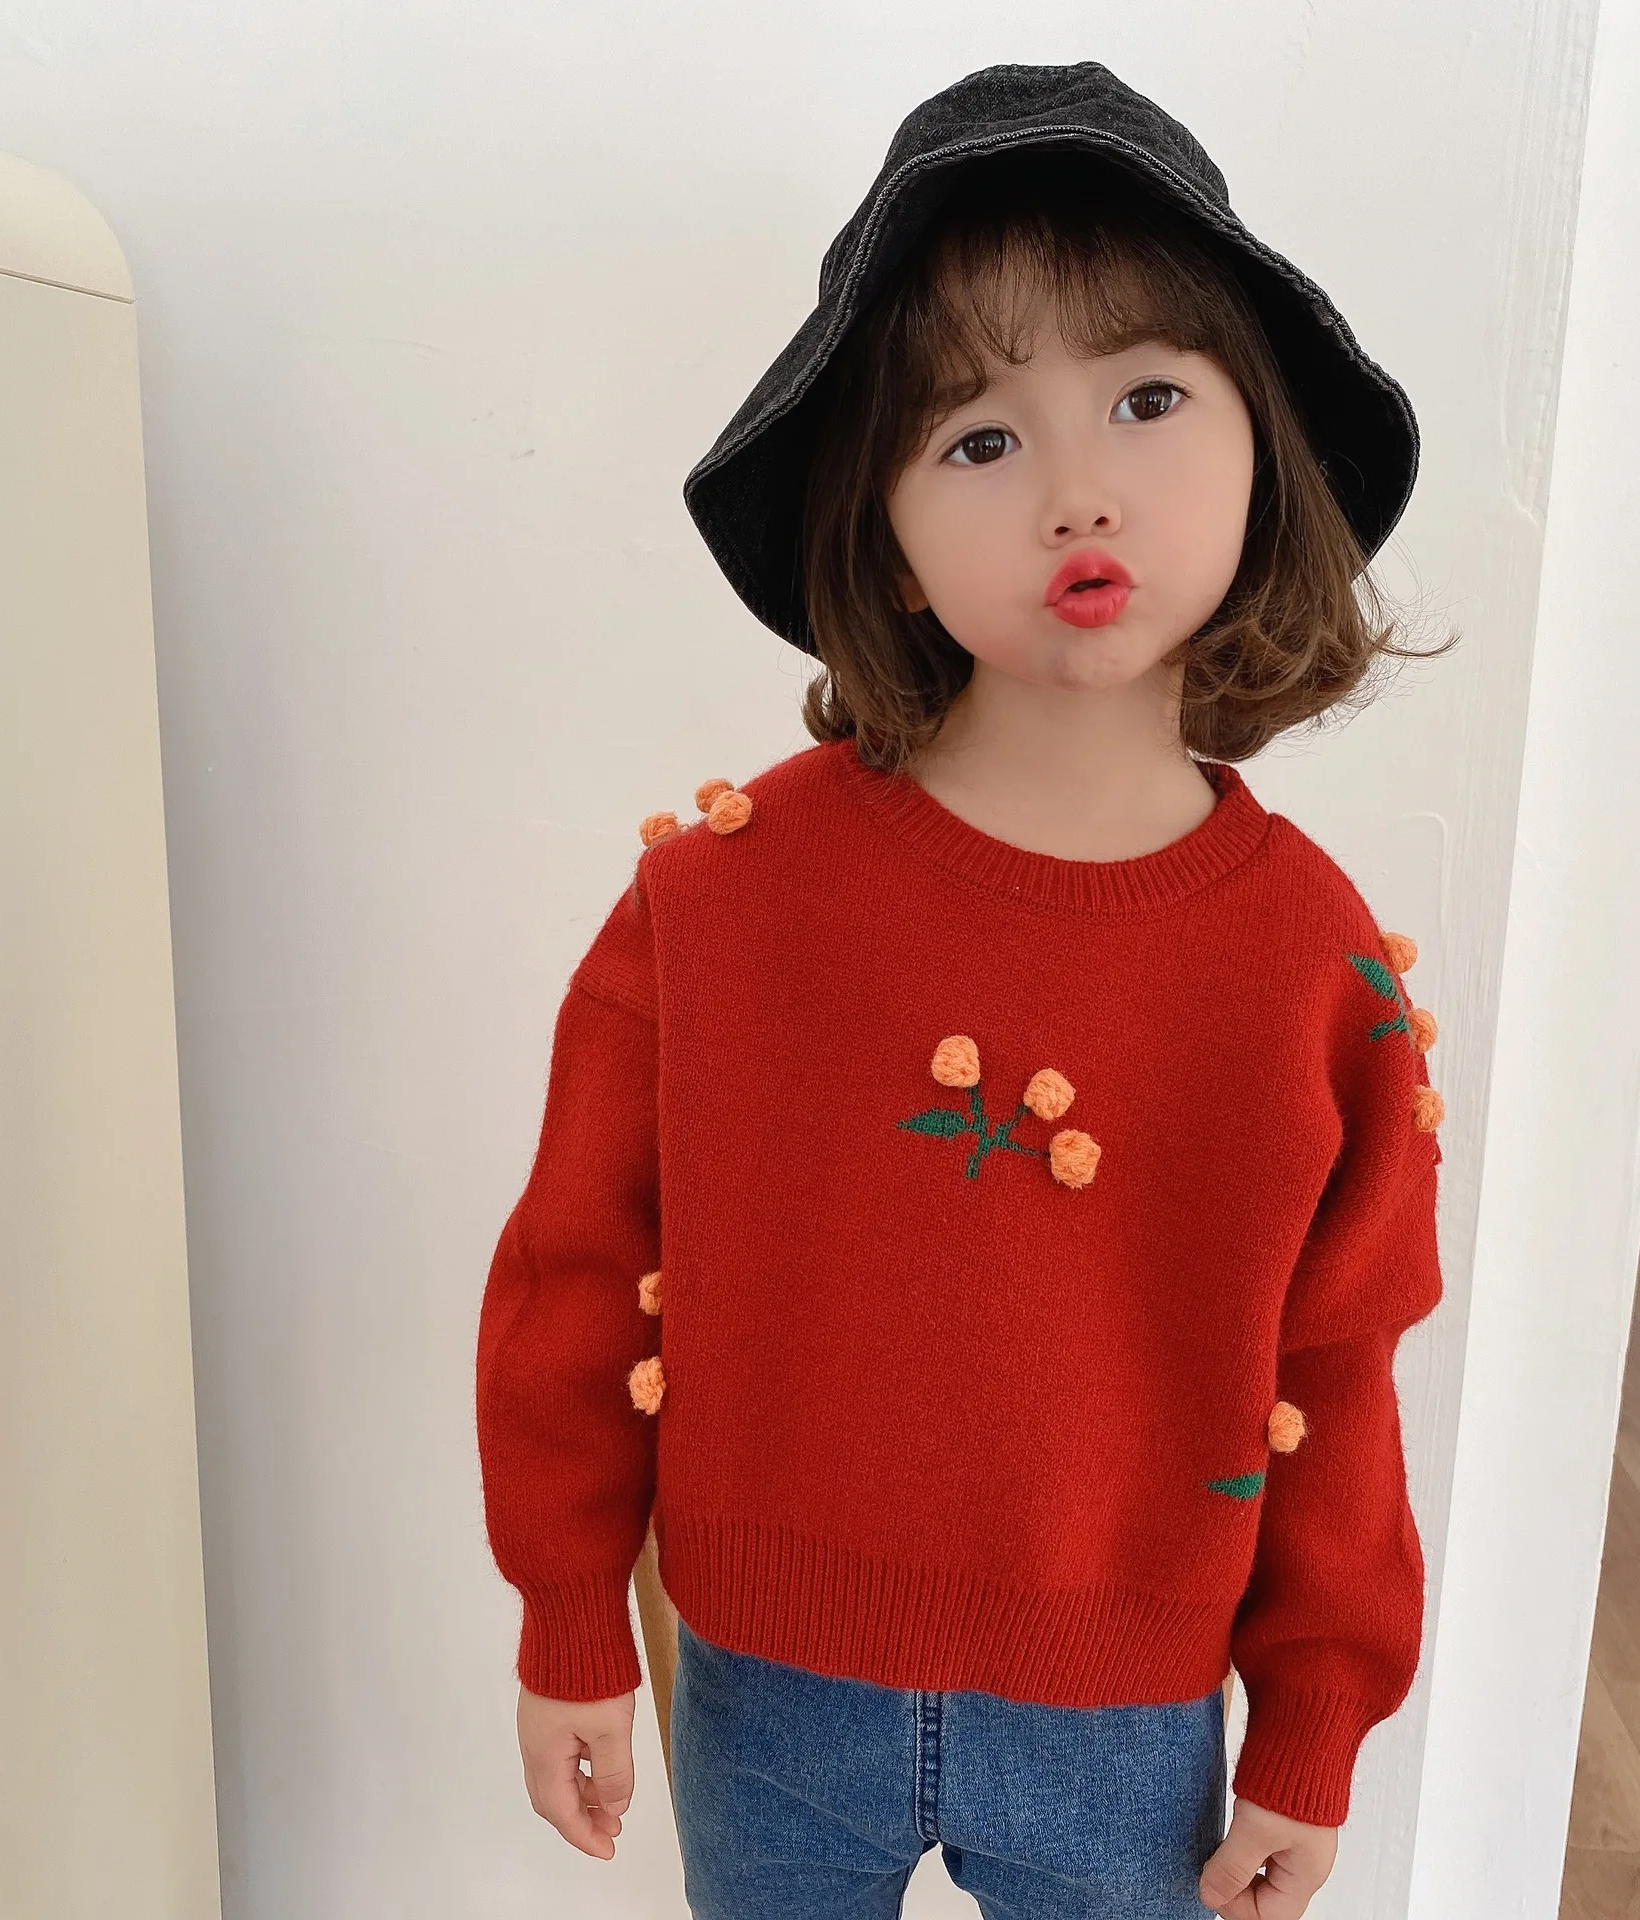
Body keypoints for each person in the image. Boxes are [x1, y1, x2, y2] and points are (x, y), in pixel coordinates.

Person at [476, 60, 1455, 1920]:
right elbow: (576, 1270)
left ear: (1267, 452)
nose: (1078, 492)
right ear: (886, 532)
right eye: (978, 441)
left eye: (1149, 398)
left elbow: (1339, 1369)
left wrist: (1314, 1726)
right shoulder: (714, 904)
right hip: (763, 1696)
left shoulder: (1314, 970)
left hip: (1130, 1728)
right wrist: (566, 1612)